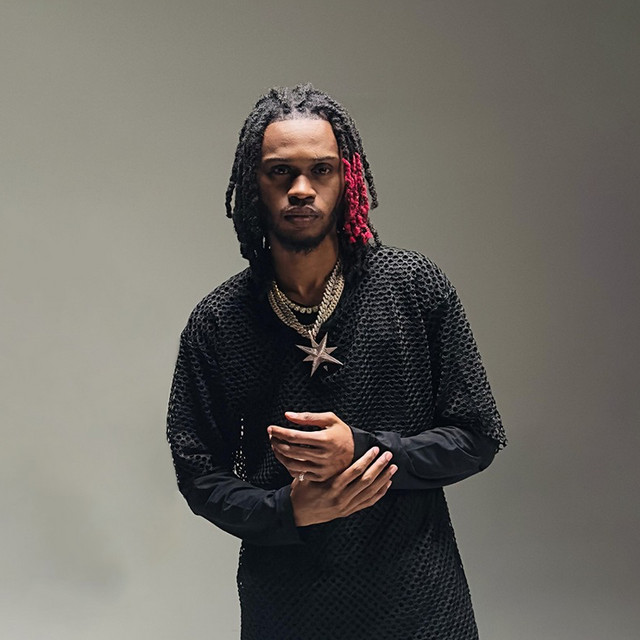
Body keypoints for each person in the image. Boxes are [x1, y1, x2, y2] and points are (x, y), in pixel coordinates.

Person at [167, 84, 507, 640]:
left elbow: (477, 435)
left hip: (420, 606)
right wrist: (285, 510)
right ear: (254, 184)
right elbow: (199, 472)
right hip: (288, 611)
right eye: (280, 172)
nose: (301, 189)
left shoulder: (413, 288)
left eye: (320, 170)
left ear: (346, 178)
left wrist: (364, 450)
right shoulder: (219, 322)